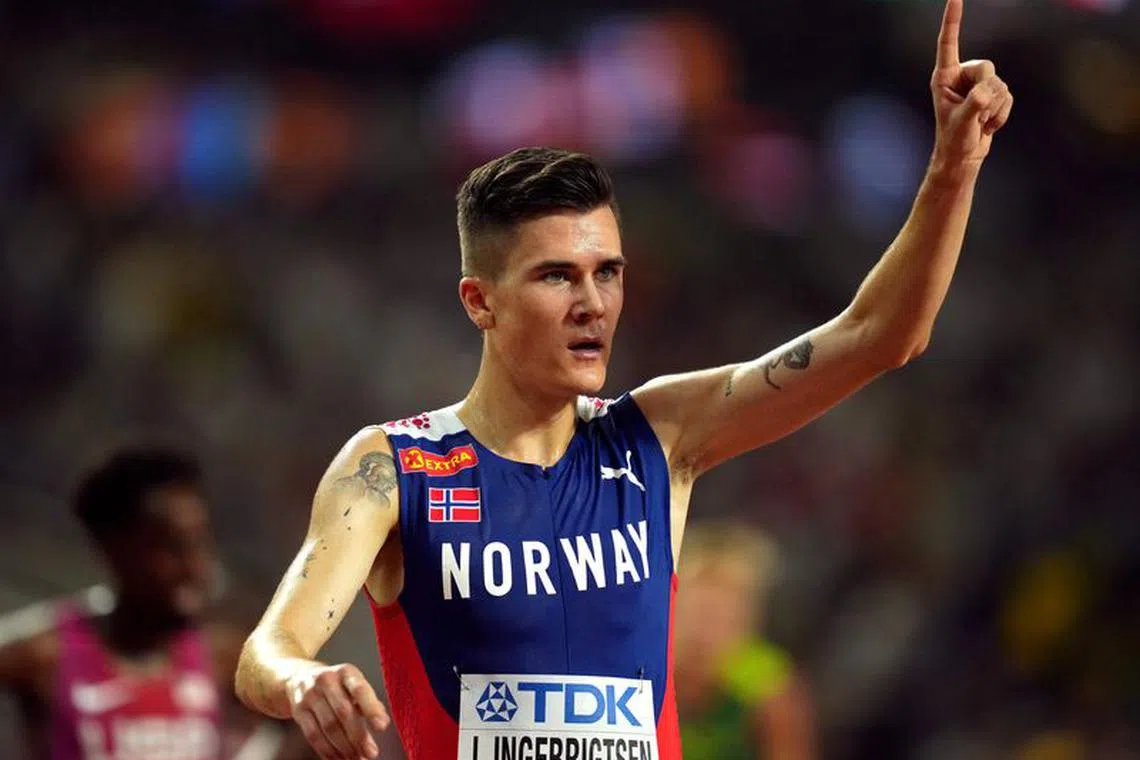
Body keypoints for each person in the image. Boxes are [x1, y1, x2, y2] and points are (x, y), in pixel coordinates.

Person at [235, 1, 1012, 757]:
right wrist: (302, 680)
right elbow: (266, 652)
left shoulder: (661, 434)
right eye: (555, 277)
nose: (593, 304)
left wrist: (953, 166)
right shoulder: (393, 469)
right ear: (481, 301)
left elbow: (882, 336)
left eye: (607, 272)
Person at [0, 442, 275, 760]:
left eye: (200, 544)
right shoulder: (46, 653)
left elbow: (316, 723)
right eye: (173, 548)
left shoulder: (223, 656)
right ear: (114, 549)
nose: (196, 567)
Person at [674, 522, 815, 760]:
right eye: (699, 613)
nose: (705, 633)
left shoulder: (770, 689)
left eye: (724, 616)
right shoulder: (642, 670)